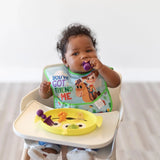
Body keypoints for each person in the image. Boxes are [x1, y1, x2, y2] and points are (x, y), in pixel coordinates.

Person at [28, 23, 121, 160]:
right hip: (63, 119)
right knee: (51, 130)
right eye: (76, 53)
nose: (84, 56)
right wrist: (44, 91)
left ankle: (83, 152)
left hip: (94, 120)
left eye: (89, 50)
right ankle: (48, 152)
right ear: (65, 61)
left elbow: (115, 82)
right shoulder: (60, 76)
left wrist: (101, 68)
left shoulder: (100, 72)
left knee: (93, 135)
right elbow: (48, 96)